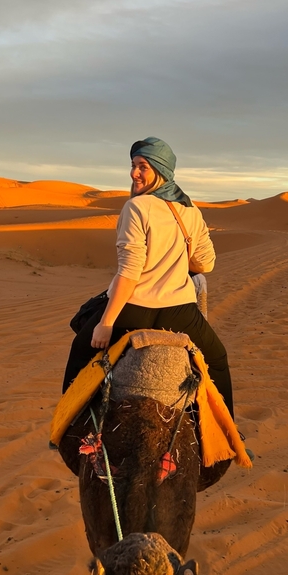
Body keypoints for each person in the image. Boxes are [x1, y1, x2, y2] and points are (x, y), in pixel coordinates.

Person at [62, 136, 235, 418]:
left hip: (134, 308)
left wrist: (106, 323)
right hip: (179, 312)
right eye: (133, 165)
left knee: (81, 350)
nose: (134, 173)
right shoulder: (191, 211)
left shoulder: (136, 207)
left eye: (143, 166)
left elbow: (129, 272)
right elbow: (206, 263)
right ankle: (228, 432)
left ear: (161, 170)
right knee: (216, 359)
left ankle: (67, 425)